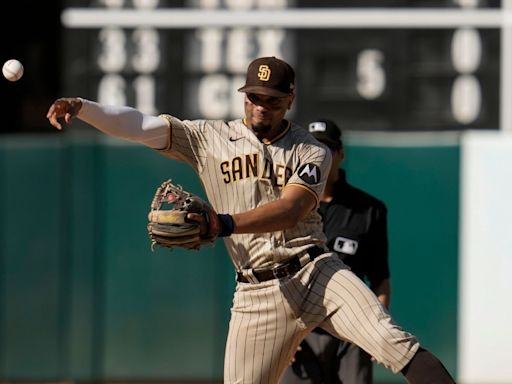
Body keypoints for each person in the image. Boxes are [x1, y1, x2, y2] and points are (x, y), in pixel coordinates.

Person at [46, 56, 455, 384]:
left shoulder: (311, 150)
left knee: (394, 342)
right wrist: (84, 108)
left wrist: (223, 223)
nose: (261, 106)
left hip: (318, 271)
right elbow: (140, 126)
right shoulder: (208, 138)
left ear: (289, 99)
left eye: (272, 99)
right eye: (254, 97)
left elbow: (293, 209)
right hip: (256, 292)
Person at [282, 119, 391, 384]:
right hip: (301, 329)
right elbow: (270, 271)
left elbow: (380, 278)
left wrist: (376, 329)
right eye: (311, 148)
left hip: (351, 330)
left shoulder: (368, 210)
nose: (319, 156)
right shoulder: (284, 207)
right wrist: (281, 331)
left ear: (341, 154)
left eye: (327, 149)